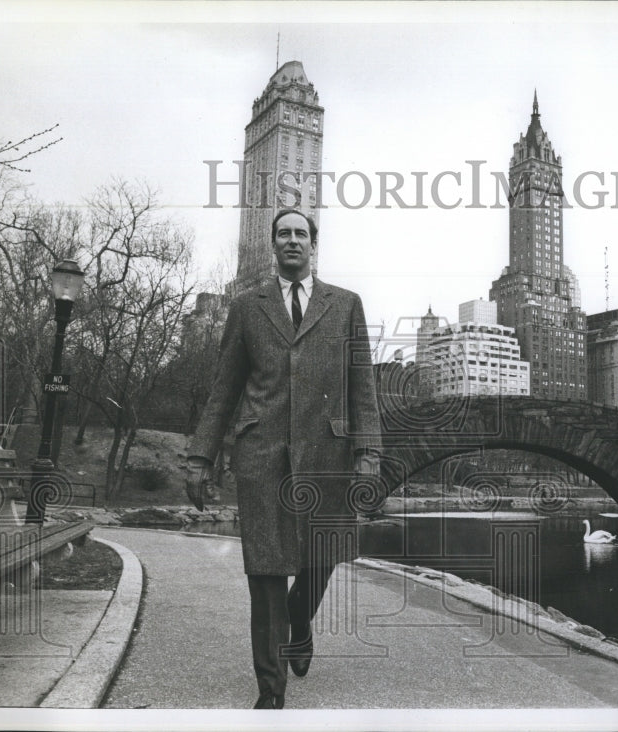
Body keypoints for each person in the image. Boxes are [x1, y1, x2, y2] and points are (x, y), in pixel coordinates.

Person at [185, 209, 381, 709]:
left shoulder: (346, 305)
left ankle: (300, 618)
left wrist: (368, 453)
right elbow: (224, 389)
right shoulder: (248, 307)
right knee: (266, 571)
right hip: (261, 453)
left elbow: (362, 388)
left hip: (328, 454)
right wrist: (200, 455)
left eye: (301, 233)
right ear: (273, 244)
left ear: (313, 244)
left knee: (324, 554)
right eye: (283, 234)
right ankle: (270, 692)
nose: (292, 241)